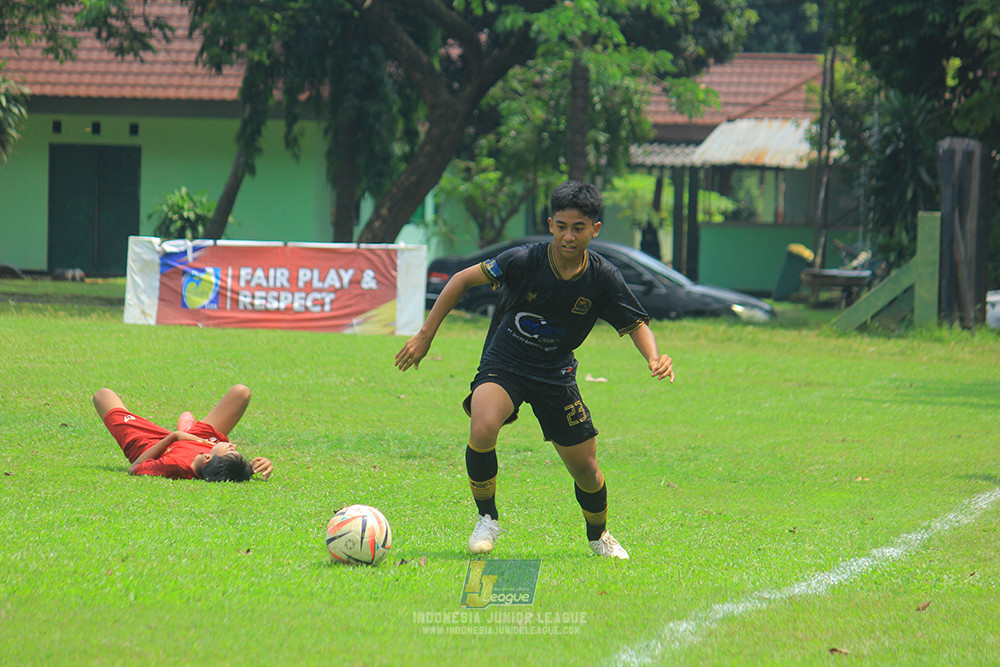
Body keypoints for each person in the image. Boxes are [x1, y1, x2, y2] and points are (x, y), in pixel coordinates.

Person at [395, 180, 674, 559]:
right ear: (550, 224)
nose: (568, 236)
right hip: (505, 361)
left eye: (578, 228)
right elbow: (460, 280)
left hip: (556, 374)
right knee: (483, 425)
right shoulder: (523, 260)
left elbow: (637, 323)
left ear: (595, 229)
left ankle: (599, 535)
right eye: (561, 226)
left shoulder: (602, 277)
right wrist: (425, 335)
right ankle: (487, 519)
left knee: (586, 469)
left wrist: (654, 357)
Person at [93, 384, 273, 481]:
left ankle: (184, 430)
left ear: (208, 459)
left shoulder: (174, 464)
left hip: (152, 444)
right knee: (241, 393)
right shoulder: (216, 464)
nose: (233, 444)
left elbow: (134, 469)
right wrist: (258, 466)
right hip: (201, 440)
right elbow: (232, 471)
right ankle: (187, 429)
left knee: (102, 395)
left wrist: (174, 437)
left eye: (231, 450)